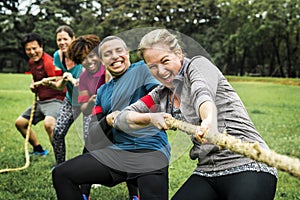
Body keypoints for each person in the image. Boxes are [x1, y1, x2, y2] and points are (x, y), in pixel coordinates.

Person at [113, 29, 278, 200]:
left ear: (178, 54)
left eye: (165, 61)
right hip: (207, 172)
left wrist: (209, 121)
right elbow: (124, 116)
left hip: (248, 164)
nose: (160, 71)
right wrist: (150, 118)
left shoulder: (198, 66)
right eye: (153, 66)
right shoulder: (160, 95)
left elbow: (202, 93)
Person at [52, 36, 170, 200]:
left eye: (119, 51)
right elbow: (93, 135)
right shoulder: (102, 92)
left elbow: (161, 94)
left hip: (149, 152)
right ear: (102, 60)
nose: (115, 56)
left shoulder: (143, 71)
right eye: (108, 54)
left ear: (127, 53)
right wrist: (107, 120)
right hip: (119, 153)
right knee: (61, 173)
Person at [15, 33, 65, 156]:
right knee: (20, 123)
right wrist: (34, 85)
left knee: (49, 124)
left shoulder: (49, 62)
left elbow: (60, 83)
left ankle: (60, 160)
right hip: (41, 101)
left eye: (35, 48)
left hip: (55, 100)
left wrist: (47, 83)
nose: (32, 52)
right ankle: (38, 150)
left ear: (41, 47)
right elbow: (36, 80)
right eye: (28, 49)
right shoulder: (32, 62)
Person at [49, 25, 83, 165]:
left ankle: (94, 173)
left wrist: (77, 81)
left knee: (92, 138)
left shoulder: (82, 55)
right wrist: (58, 81)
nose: (62, 42)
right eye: (59, 40)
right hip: (71, 100)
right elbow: (59, 85)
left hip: (90, 101)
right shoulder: (58, 56)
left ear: (73, 39)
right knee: (57, 132)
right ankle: (60, 166)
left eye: (65, 39)